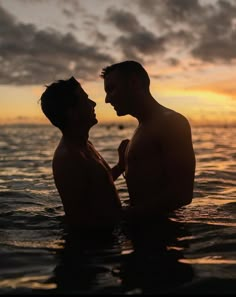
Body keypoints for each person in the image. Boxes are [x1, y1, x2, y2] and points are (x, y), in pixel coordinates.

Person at [100, 61, 196, 222]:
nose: (107, 99)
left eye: (111, 89)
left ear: (134, 83)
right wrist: (121, 166)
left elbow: (182, 194)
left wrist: (123, 217)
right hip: (143, 231)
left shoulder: (171, 122)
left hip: (163, 236)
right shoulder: (143, 127)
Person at [40, 76, 124, 230]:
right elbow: (81, 219)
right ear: (73, 113)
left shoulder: (84, 146)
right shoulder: (69, 157)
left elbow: (96, 187)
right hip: (93, 246)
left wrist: (120, 165)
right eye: (86, 100)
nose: (93, 103)